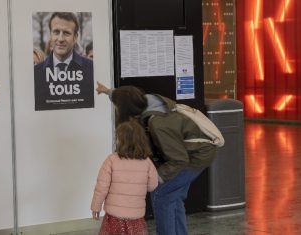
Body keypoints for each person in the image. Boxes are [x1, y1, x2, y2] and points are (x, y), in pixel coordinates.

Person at [96, 82, 217, 235]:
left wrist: (156, 177)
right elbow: (125, 96)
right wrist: (107, 91)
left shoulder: (159, 124)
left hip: (195, 157)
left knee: (162, 195)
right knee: (174, 198)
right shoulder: (146, 101)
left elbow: (179, 160)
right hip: (192, 152)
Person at [91, 120, 158, 235]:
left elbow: (101, 187)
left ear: (121, 141)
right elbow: (152, 186)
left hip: (114, 217)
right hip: (136, 216)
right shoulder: (147, 162)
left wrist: (95, 207)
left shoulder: (111, 160)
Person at [34, 12, 94, 111]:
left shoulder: (91, 70)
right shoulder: (36, 74)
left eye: (66, 33)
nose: (60, 39)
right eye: (56, 32)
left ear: (75, 37)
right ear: (50, 35)